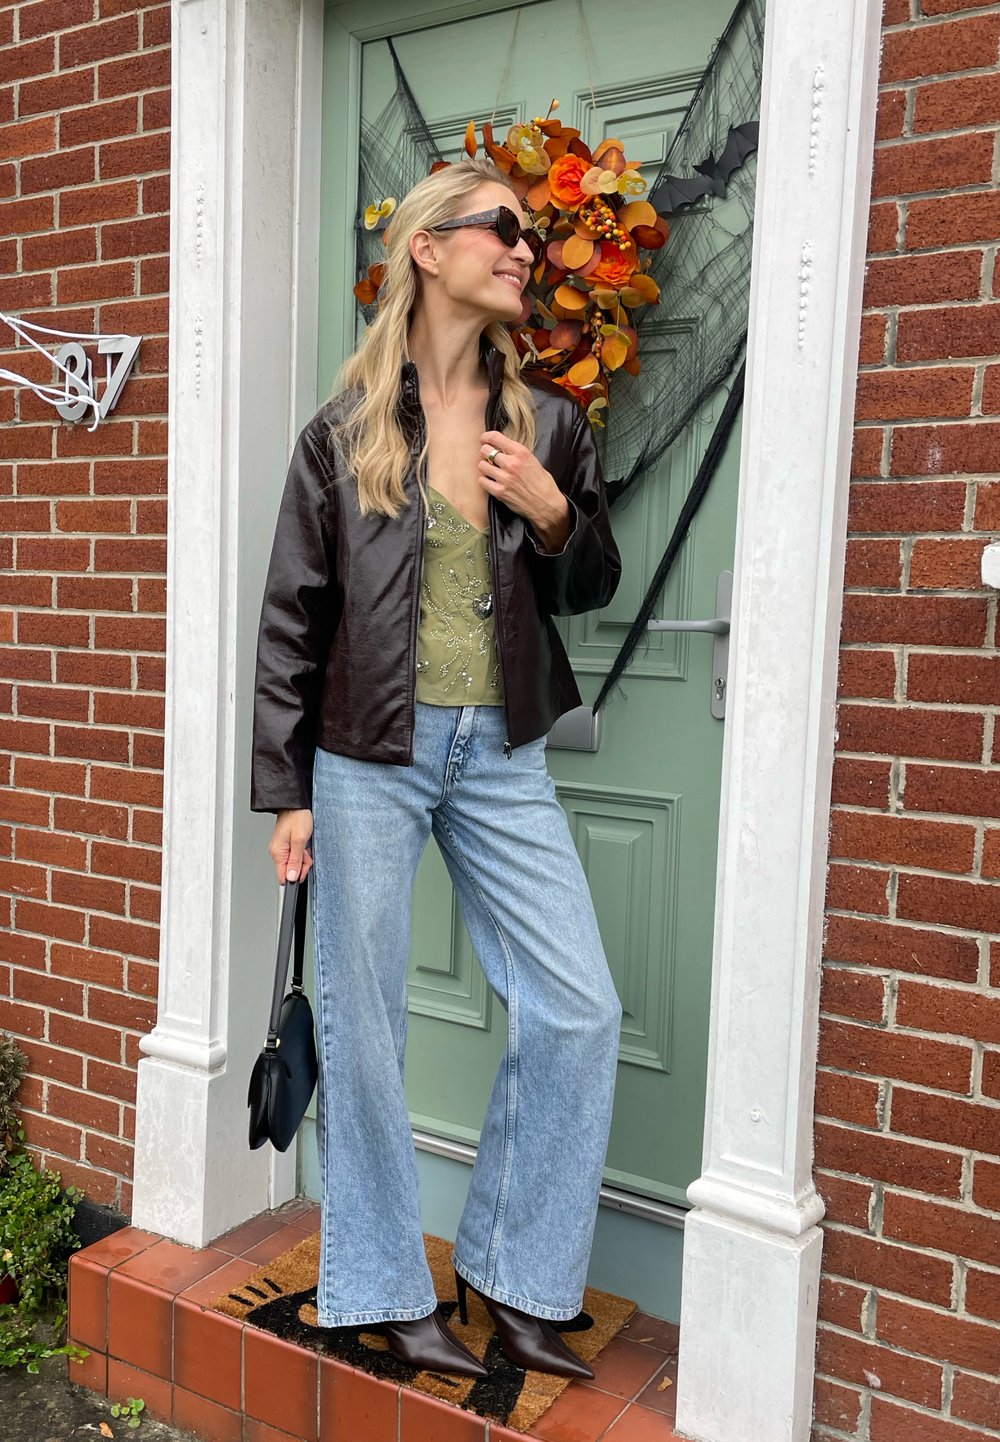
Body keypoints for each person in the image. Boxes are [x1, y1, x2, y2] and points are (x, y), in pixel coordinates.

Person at [250, 155, 624, 1380]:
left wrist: (558, 513)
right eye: (500, 229)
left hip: (499, 748)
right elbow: (294, 618)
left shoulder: (550, 422)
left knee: (576, 1003)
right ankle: (374, 1283)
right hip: (369, 752)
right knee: (365, 1024)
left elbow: (590, 585)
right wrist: (287, 790)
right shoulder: (344, 431)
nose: (522, 248)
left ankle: (516, 1277)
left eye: (529, 232)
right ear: (427, 247)